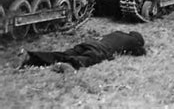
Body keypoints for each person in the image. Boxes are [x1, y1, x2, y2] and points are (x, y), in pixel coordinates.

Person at [18, 30, 146, 71]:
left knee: (63, 54)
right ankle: (69, 65)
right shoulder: (133, 41)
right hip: (101, 49)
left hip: (89, 43)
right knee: (88, 59)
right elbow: (141, 52)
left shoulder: (117, 33)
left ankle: (31, 57)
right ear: (137, 40)